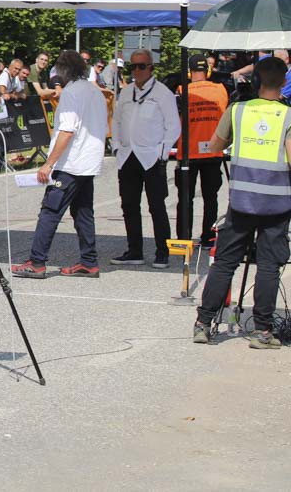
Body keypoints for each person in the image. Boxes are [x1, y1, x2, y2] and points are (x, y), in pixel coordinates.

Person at [194, 56, 291, 349]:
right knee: (269, 266)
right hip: (277, 203)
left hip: (241, 201)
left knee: (225, 261)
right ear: (284, 82)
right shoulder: (288, 116)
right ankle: (262, 331)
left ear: (256, 80)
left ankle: (204, 323)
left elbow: (214, 145)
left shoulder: (237, 110)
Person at [12, 51, 109, 278]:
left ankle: (37, 261)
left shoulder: (71, 93)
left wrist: (49, 164)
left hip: (71, 163)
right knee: (83, 212)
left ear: (63, 71)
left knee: (50, 210)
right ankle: (89, 261)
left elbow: (67, 131)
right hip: (88, 162)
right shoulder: (95, 92)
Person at [110, 49, 181, 268]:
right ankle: (135, 251)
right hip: (128, 155)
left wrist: (162, 152)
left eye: (141, 66)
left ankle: (162, 251)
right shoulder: (126, 92)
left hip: (151, 157)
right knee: (129, 205)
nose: (137, 71)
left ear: (151, 67)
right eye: (133, 67)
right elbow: (116, 121)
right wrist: (116, 146)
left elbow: (173, 126)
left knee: (156, 206)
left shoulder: (162, 93)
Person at [174, 55, 228, 247]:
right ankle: (209, 237)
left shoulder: (182, 90)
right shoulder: (220, 90)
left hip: (189, 152)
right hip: (214, 150)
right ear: (208, 70)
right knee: (211, 198)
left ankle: (184, 238)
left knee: (185, 198)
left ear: (189, 72)